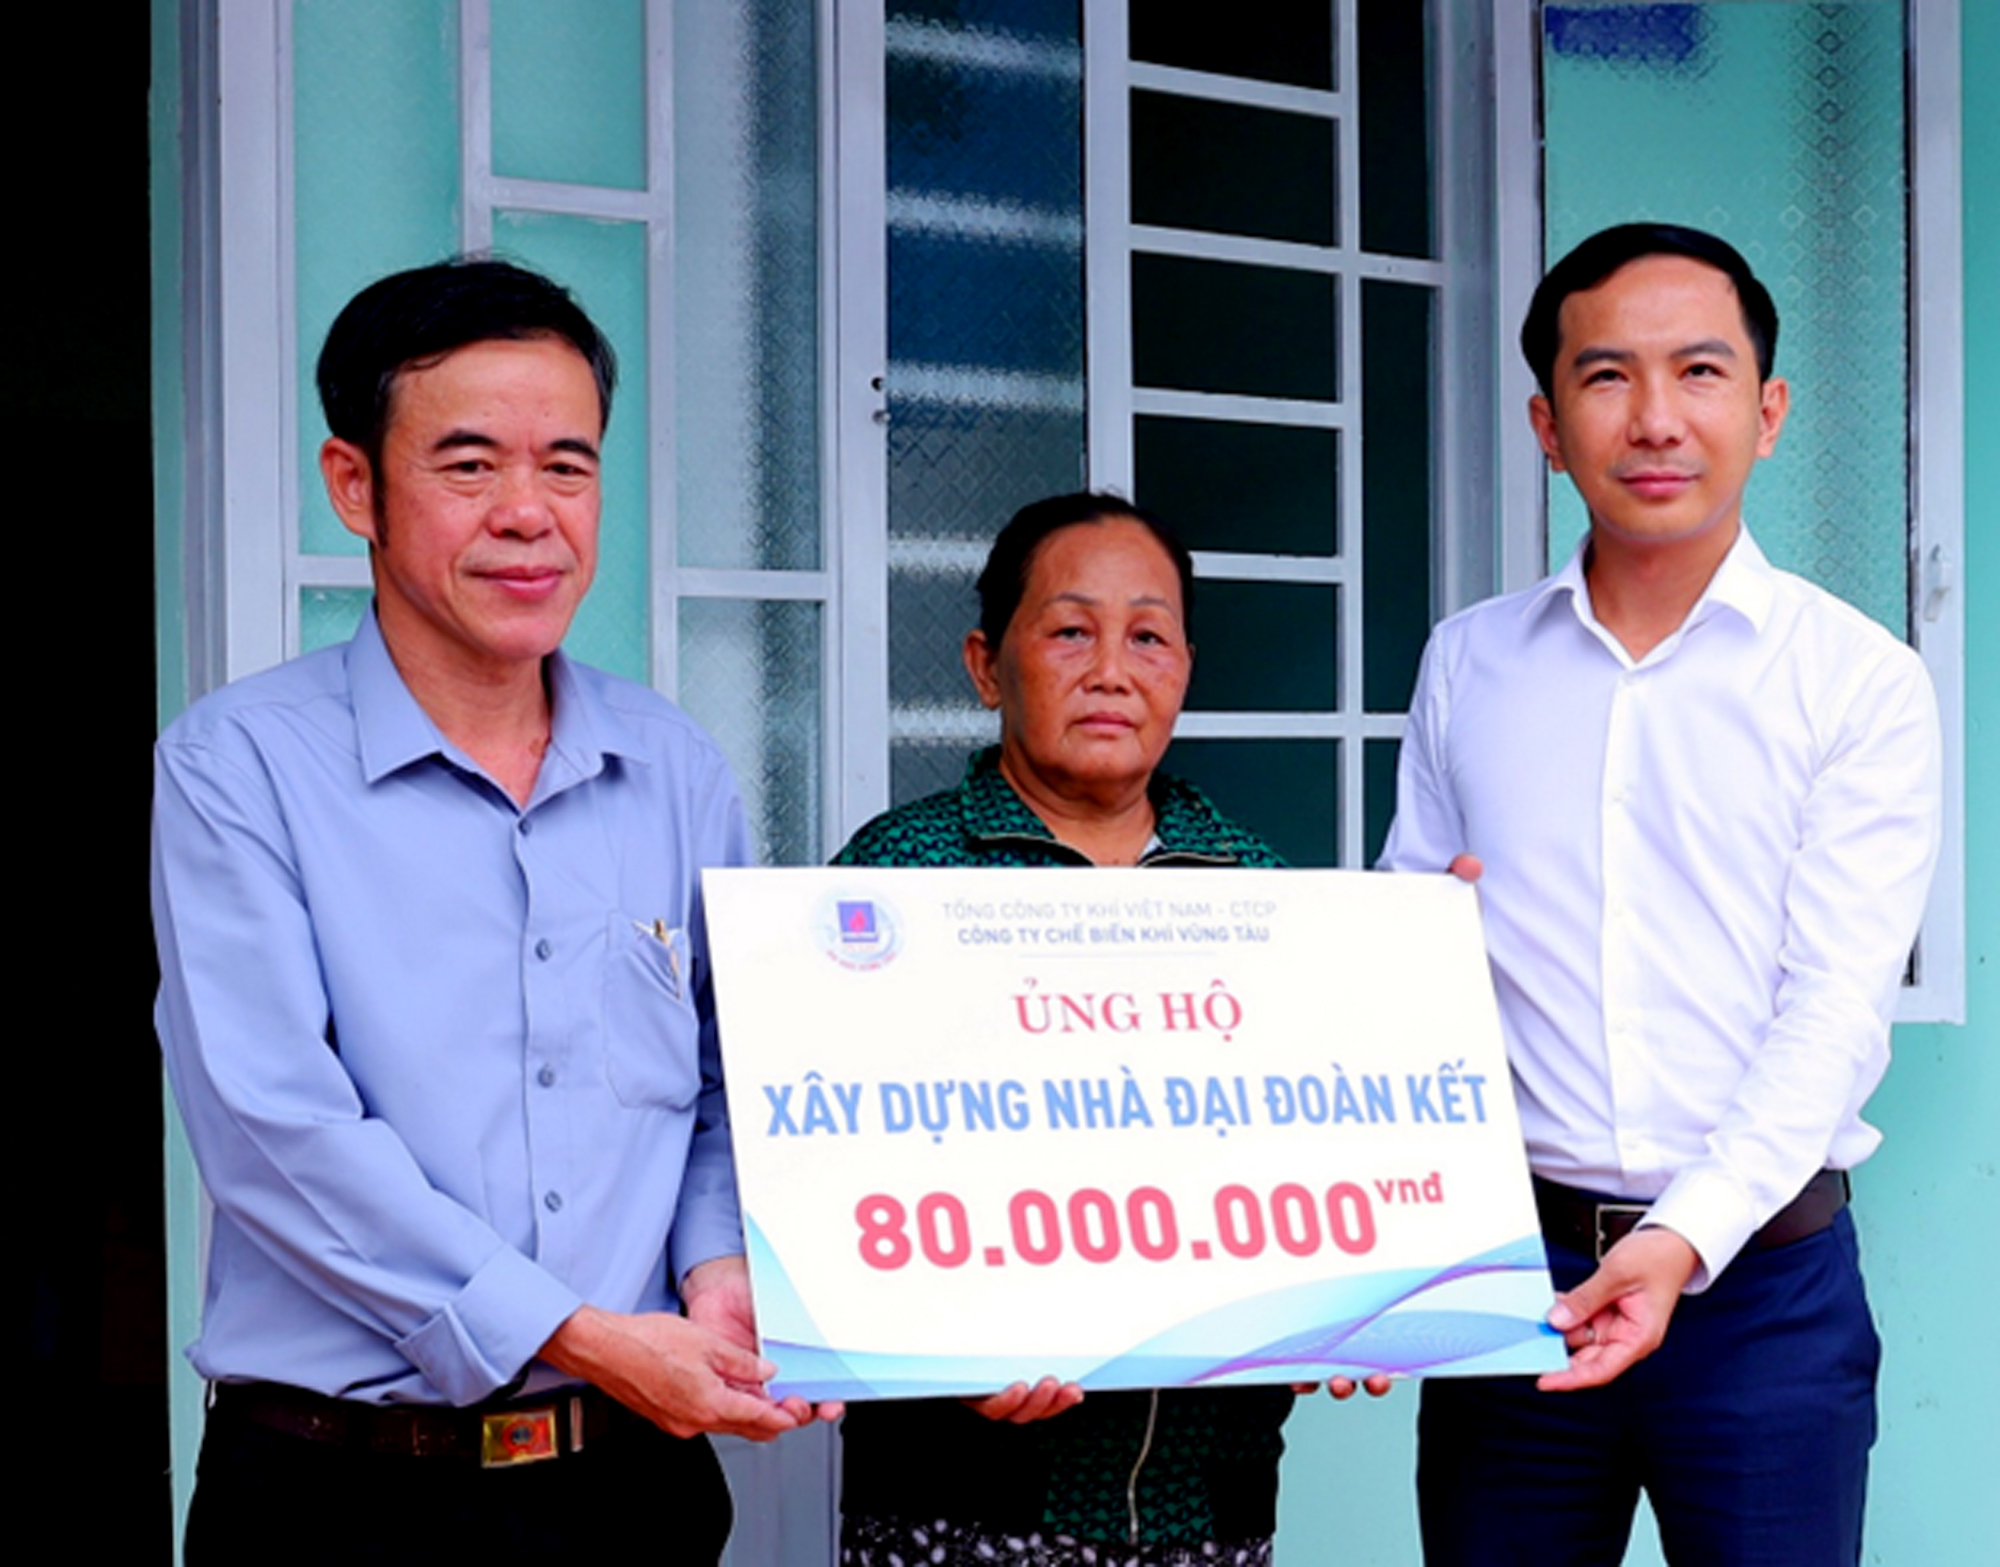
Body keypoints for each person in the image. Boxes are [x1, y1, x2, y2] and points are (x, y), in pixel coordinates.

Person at [152, 258, 826, 1565]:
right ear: (353, 483)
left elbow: (720, 1082)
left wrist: (713, 1268)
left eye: (567, 467)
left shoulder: (674, 766)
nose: (528, 514)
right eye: (468, 466)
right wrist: (579, 1333)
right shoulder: (238, 767)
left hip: (631, 1489)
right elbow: (275, 1128)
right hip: (339, 1499)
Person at [1380, 224, 1942, 1564]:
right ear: (1545, 424)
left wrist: (1683, 1236)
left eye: (1698, 371)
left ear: (1767, 410)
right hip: (1517, 1289)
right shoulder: (1468, 663)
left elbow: (1834, 1009)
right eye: (1605, 376)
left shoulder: (1857, 682)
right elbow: (1408, 964)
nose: (1653, 418)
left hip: (1764, 1296)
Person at [834, 493, 1377, 1567]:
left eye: (1148, 637)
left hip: (1207, 1497)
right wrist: (926, 1339)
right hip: (958, 1497)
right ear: (987, 666)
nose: (1112, 671)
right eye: (1070, 631)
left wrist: (1359, 1298)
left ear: (1186, 668)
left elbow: (1318, 1152)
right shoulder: (893, 882)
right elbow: (823, 1174)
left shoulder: (1262, 891)